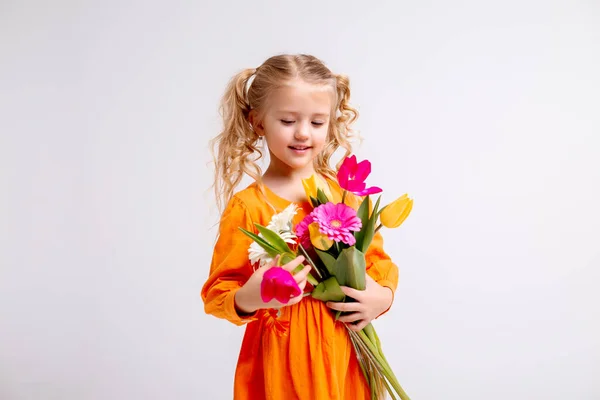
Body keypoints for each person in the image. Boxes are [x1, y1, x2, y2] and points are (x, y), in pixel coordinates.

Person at [201, 54, 399, 400]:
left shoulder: (344, 195)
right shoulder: (249, 206)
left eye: (318, 122)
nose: (303, 133)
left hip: (342, 351)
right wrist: (253, 294)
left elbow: (379, 264)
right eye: (289, 120)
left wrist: (381, 297)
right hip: (281, 355)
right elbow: (218, 292)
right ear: (258, 122)